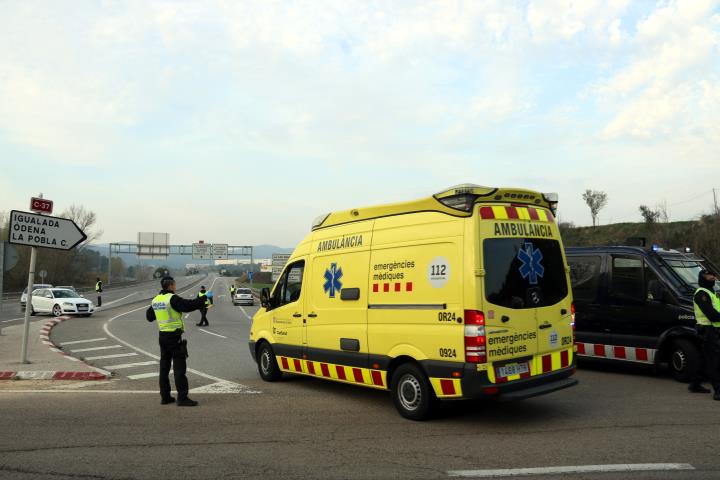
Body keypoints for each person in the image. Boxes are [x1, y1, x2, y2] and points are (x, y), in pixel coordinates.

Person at [146, 277, 206, 406]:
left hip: (162, 337)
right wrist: (201, 301)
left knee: (164, 367)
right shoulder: (172, 298)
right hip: (174, 336)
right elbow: (187, 306)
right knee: (179, 368)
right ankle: (182, 398)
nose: (175, 287)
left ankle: (165, 397)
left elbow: (149, 317)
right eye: (175, 284)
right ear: (171, 286)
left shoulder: (156, 300)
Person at [689, 269, 720, 400]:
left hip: (715, 329)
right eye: (708, 275)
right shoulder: (701, 293)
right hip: (707, 330)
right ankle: (718, 391)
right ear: (702, 278)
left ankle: (695, 384)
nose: (712, 277)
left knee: (704, 358)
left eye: (713, 275)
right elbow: (711, 315)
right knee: (714, 361)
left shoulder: (713, 293)